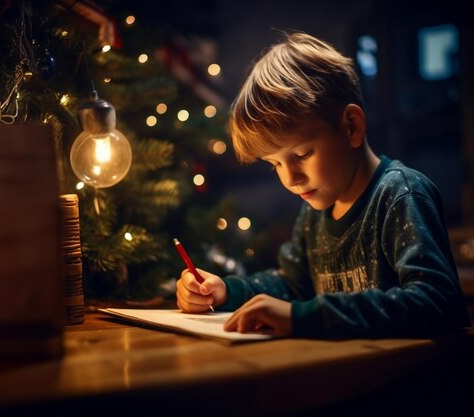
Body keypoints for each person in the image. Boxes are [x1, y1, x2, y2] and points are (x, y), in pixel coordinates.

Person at [175, 32, 471, 338]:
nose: (290, 178)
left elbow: (438, 302)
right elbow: (292, 286)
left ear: (351, 126)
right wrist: (226, 291)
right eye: (274, 164)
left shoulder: (400, 195)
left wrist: (307, 317)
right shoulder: (313, 215)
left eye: (302, 154)